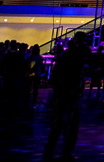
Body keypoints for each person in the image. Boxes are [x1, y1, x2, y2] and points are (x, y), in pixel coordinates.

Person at [43, 32, 89, 162]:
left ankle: (63, 152)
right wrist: (69, 89)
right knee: (60, 124)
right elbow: (57, 77)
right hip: (64, 95)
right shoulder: (68, 56)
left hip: (72, 94)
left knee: (70, 126)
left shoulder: (75, 56)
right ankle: (53, 150)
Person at [27, 44, 43, 109]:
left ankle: (28, 99)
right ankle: (34, 101)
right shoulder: (40, 58)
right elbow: (42, 66)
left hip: (31, 74)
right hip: (37, 74)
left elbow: (29, 65)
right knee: (35, 88)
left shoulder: (30, 57)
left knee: (29, 87)